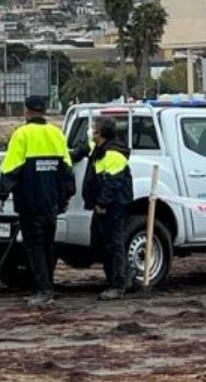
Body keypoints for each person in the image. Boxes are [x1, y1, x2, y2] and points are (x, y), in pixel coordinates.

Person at [0, 95, 74, 307]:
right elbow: (67, 169)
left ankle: (44, 290)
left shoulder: (22, 134)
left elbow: (11, 168)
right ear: (45, 111)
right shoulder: (56, 133)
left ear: (26, 111)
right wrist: (66, 196)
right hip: (51, 202)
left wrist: (2, 194)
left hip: (30, 201)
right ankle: (46, 286)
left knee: (35, 246)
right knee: (48, 245)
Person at [78, 119, 133, 301]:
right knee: (103, 244)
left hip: (113, 207)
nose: (90, 132)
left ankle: (118, 284)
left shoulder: (113, 153)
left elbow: (113, 182)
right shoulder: (100, 150)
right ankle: (121, 279)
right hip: (104, 205)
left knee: (114, 244)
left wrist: (102, 203)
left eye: (93, 129)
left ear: (100, 133)